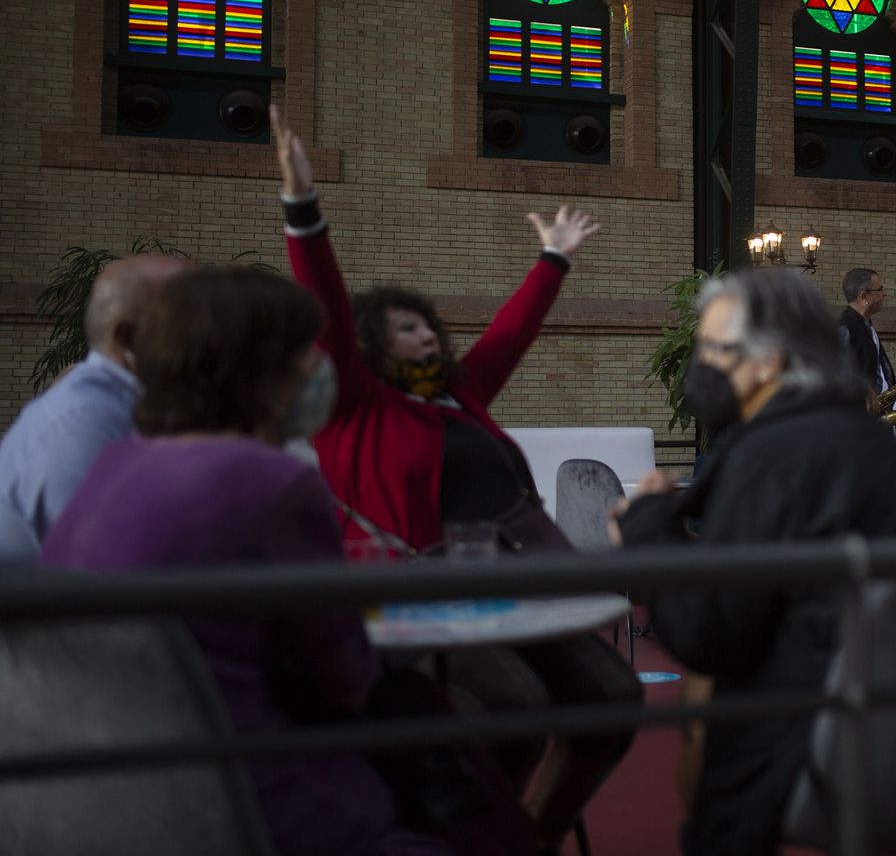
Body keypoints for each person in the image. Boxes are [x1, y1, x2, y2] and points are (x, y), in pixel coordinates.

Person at [40, 266, 538, 856]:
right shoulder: (269, 481)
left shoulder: (113, 466)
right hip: (255, 796)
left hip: (115, 790)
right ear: (257, 369)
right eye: (303, 351)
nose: (317, 367)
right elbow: (349, 684)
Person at [270, 107, 638, 853]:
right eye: (406, 328)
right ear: (373, 345)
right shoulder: (351, 403)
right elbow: (327, 309)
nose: (427, 334)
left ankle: (533, 833)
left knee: (610, 698)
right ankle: (479, 840)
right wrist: (303, 213)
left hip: (503, 586)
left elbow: (509, 332)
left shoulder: (459, 392)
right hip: (409, 598)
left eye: (428, 323)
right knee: (514, 704)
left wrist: (554, 259)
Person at [611, 269, 896, 855]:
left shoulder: (772, 455)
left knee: (704, 701)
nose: (703, 365)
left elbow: (709, 635)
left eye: (716, 349)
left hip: (808, 733)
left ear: (768, 361)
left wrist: (642, 531)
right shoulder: (858, 440)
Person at [0, 254, 188, 562]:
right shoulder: (81, 426)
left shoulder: (121, 410)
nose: (215, 336)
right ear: (127, 337)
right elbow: (115, 577)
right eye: (192, 322)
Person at [837, 266, 895, 398]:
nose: (884, 293)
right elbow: (837, 371)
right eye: (880, 289)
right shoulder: (845, 328)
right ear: (863, 296)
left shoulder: (867, 324)